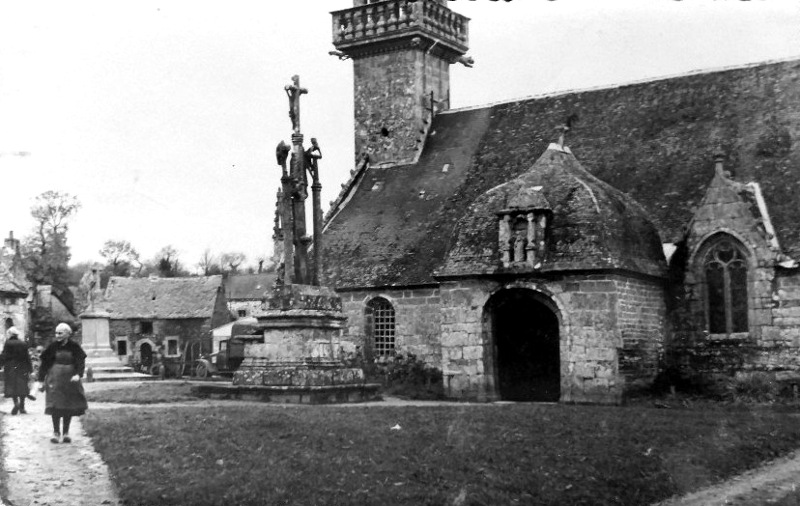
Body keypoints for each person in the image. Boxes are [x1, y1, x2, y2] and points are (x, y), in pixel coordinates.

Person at [36, 323, 88, 444]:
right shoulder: (53, 347)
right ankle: (56, 433)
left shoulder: (74, 347)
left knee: (67, 406)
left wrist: (78, 374)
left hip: (69, 381)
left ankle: (66, 433)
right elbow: (44, 364)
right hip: (55, 380)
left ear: (67, 334)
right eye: (56, 333)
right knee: (55, 406)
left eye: (60, 333)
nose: (57, 335)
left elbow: (80, 361)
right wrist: (40, 380)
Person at [0, 327, 33, 415]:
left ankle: (16, 403)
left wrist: (1, 364)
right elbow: (27, 357)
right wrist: (31, 370)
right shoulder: (23, 343)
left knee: (12, 386)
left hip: (11, 367)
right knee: (22, 385)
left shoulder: (8, 343)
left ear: (11, 334)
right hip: (22, 367)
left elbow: (4, 355)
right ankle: (22, 406)